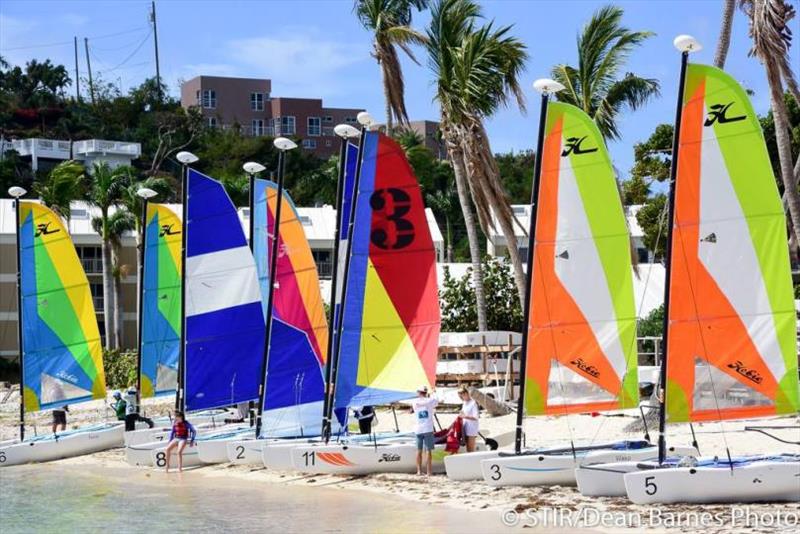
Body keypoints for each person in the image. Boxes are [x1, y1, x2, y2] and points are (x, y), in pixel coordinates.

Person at [412, 385, 438, 476]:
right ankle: (429, 472)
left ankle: (419, 471)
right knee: (428, 451)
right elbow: (436, 400)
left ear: (419, 392)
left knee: (419, 450)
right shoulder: (430, 401)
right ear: (426, 392)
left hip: (418, 429)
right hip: (428, 428)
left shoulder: (414, 402)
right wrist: (433, 392)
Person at [458, 387, 479, 452]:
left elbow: (476, 417)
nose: (463, 397)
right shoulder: (464, 403)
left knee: (471, 449)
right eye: (461, 396)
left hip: (472, 429)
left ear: (467, 393)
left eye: (464, 394)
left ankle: (473, 461)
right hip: (465, 427)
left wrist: (465, 416)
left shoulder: (473, 403)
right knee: (467, 448)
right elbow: (463, 413)